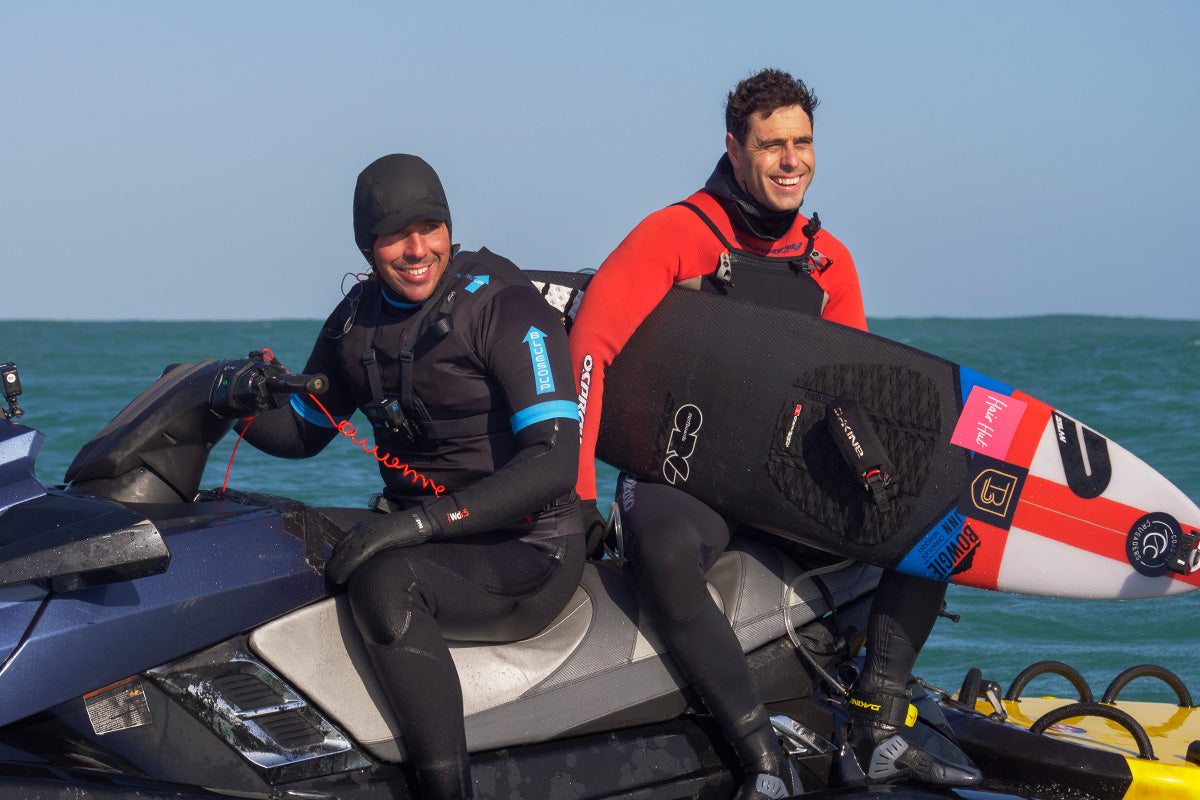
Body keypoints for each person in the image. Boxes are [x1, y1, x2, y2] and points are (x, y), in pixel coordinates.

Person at [568, 69, 981, 797]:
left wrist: (888, 485)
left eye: (804, 143)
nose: (792, 161)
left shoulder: (829, 264)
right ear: (735, 149)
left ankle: (877, 720)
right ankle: (761, 754)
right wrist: (574, 492)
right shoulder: (676, 235)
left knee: (943, 518)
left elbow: (853, 395)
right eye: (772, 145)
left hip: (786, 480)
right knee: (663, 554)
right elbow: (589, 350)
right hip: (684, 476)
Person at [238, 153, 585, 800]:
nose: (418, 249)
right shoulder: (354, 322)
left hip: (529, 547)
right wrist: (222, 399)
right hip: (426, 536)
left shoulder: (506, 308)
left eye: (431, 227)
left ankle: (445, 788)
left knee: (384, 577)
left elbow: (554, 460)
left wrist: (418, 523)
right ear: (367, 246)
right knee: (272, 532)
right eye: (396, 235)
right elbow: (303, 432)